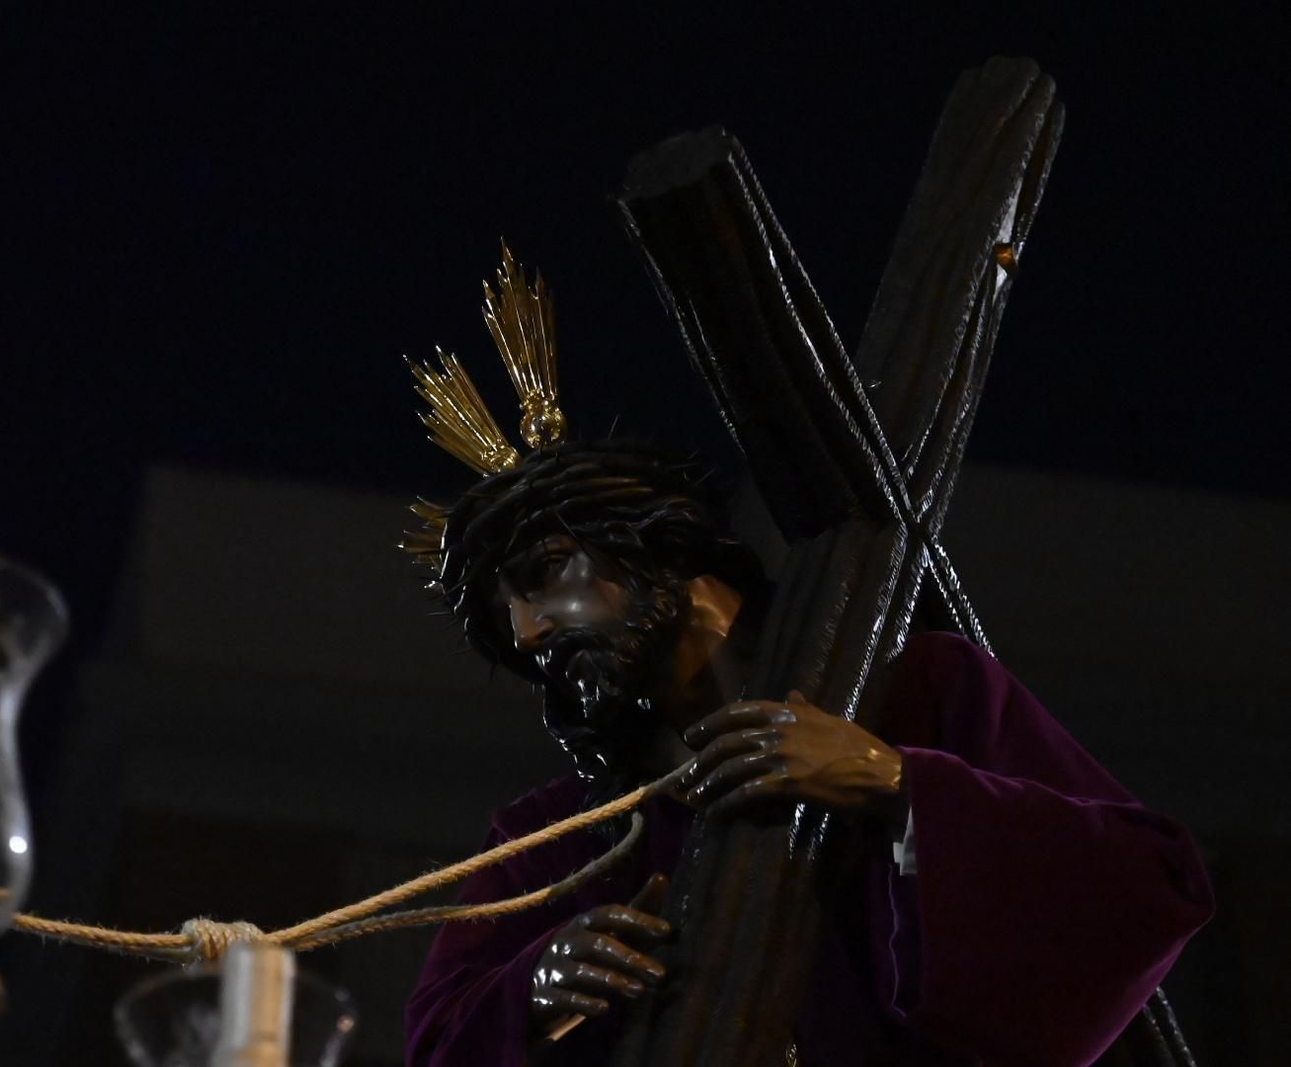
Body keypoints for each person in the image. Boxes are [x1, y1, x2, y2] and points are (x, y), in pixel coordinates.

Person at [398, 250, 1213, 1066]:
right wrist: (534, 992)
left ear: (655, 538)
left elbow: (1142, 887)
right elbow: (437, 1043)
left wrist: (895, 786)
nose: (533, 632)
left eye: (544, 575)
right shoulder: (557, 839)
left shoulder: (920, 690)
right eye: (509, 624)